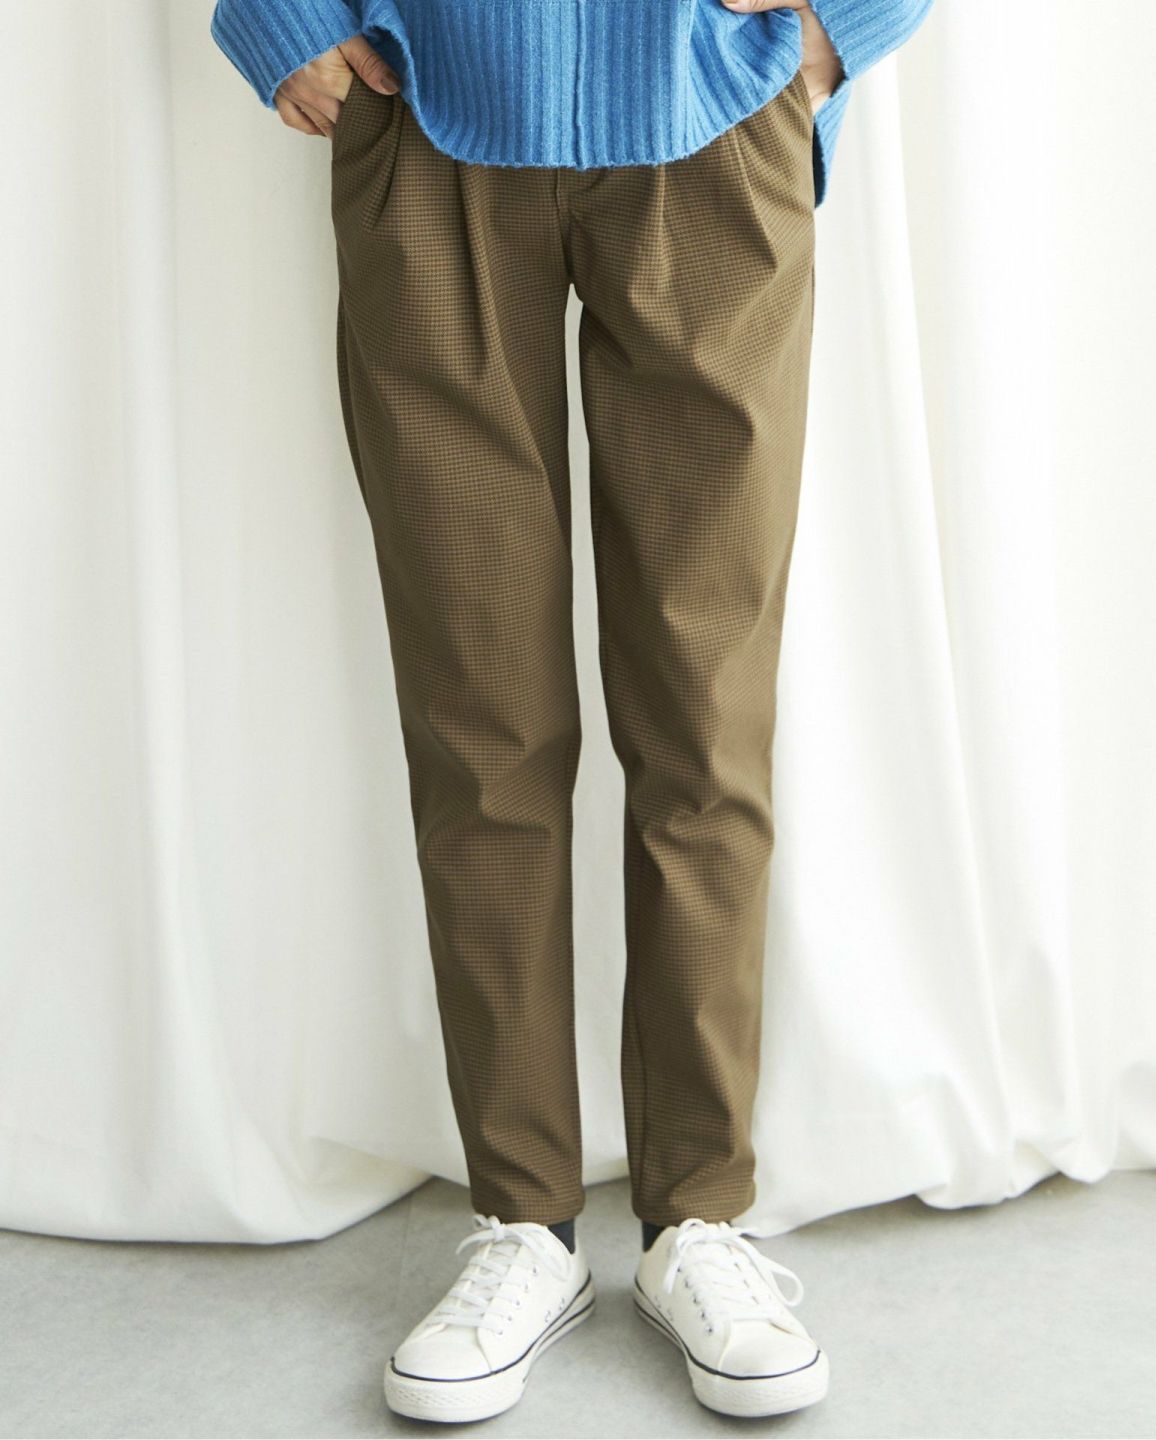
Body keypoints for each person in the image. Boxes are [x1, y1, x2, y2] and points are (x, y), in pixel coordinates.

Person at [210, 0, 933, 1421]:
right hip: (427, 113)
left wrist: (843, 18)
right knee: (478, 719)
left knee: (706, 720)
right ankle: (523, 1222)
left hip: (711, 121)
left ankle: (698, 1218)